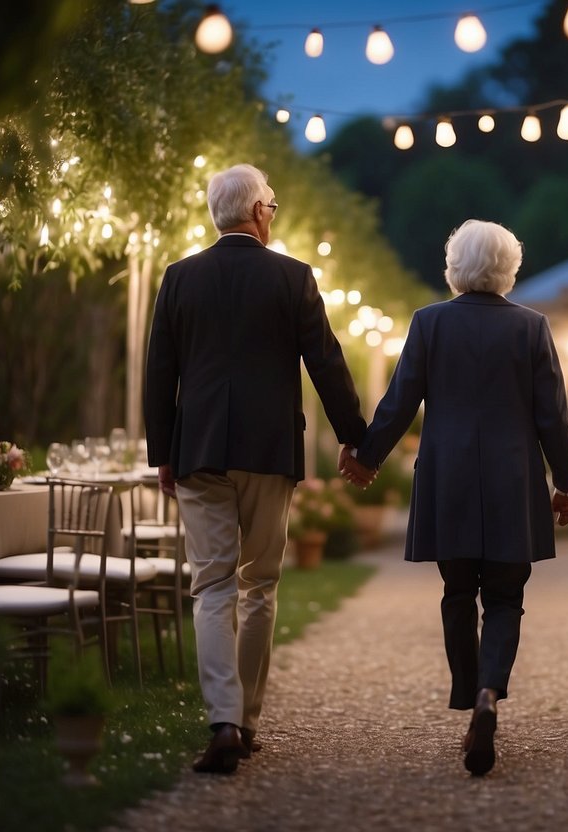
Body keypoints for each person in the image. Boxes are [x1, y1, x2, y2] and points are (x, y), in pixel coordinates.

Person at [145, 163, 368, 775]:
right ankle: (244, 721)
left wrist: (163, 453)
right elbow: (325, 362)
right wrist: (357, 440)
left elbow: (159, 371)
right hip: (269, 453)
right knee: (259, 584)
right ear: (260, 213)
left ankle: (223, 719)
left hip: (200, 451)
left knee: (212, 586)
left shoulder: (179, 278)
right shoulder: (292, 278)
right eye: (273, 206)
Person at [342, 219, 568, 777]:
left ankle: (467, 690)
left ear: (454, 268)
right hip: (512, 480)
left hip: (447, 476)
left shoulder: (430, 324)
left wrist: (366, 456)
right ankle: (488, 696)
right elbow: (553, 417)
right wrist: (565, 484)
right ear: (509, 269)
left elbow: (400, 401)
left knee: (457, 590)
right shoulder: (531, 328)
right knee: (504, 597)